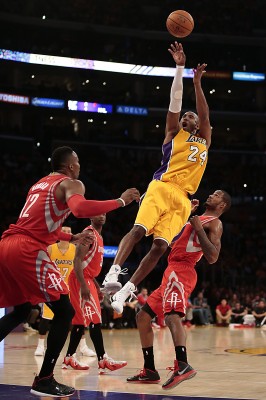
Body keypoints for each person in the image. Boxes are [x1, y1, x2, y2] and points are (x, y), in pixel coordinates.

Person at [0, 146, 140, 397]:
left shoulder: (39, 184)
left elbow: (36, 222)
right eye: (77, 161)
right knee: (65, 311)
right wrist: (120, 201)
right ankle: (44, 379)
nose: (79, 165)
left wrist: (70, 235)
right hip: (27, 248)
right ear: (71, 166)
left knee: (21, 310)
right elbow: (79, 209)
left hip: (7, 244)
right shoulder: (72, 183)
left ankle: (49, 373)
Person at [102, 42, 212, 314]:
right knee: (138, 231)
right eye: (184, 116)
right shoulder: (174, 133)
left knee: (160, 247)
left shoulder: (204, 140)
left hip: (183, 200)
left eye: (191, 116)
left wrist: (198, 84)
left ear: (196, 124)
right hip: (162, 188)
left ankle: (128, 289)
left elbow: (206, 116)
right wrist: (180, 69)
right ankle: (113, 274)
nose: (186, 117)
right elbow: (175, 102)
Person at [126, 190, 231, 389]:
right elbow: (172, 242)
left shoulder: (214, 223)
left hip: (183, 270)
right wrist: (186, 216)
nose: (211, 195)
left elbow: (213, 257)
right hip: (172, 268)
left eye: (216, 195)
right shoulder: (196, 217)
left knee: (172, 316)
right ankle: (149, 370)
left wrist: (199, 229)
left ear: (222, 205)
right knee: (143, 316)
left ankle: (183, 365)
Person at [62, 214, 127, 372]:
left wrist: (97, 287)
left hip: (87, 279)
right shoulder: (89, 233)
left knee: (80, 322)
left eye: (104, 213)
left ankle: (69, 358)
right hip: (80, 280)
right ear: (90, 216)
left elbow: (87, 267)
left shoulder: (98, 236)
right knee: (95, 320)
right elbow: (77, 260)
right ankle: (103, 359)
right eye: (98, 213)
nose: (102, 215)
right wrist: (84, 285)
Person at [35, 226, 95, 357]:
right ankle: (40, 346)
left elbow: (82, 268)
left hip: (70, 288)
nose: (67, 233)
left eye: (69, 232)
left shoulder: (75, 249)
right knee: (46, 318)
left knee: (77, 318)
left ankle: (83, 346)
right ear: (59, 233)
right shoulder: (51, 248)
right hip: (53, 287)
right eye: (64, 231)